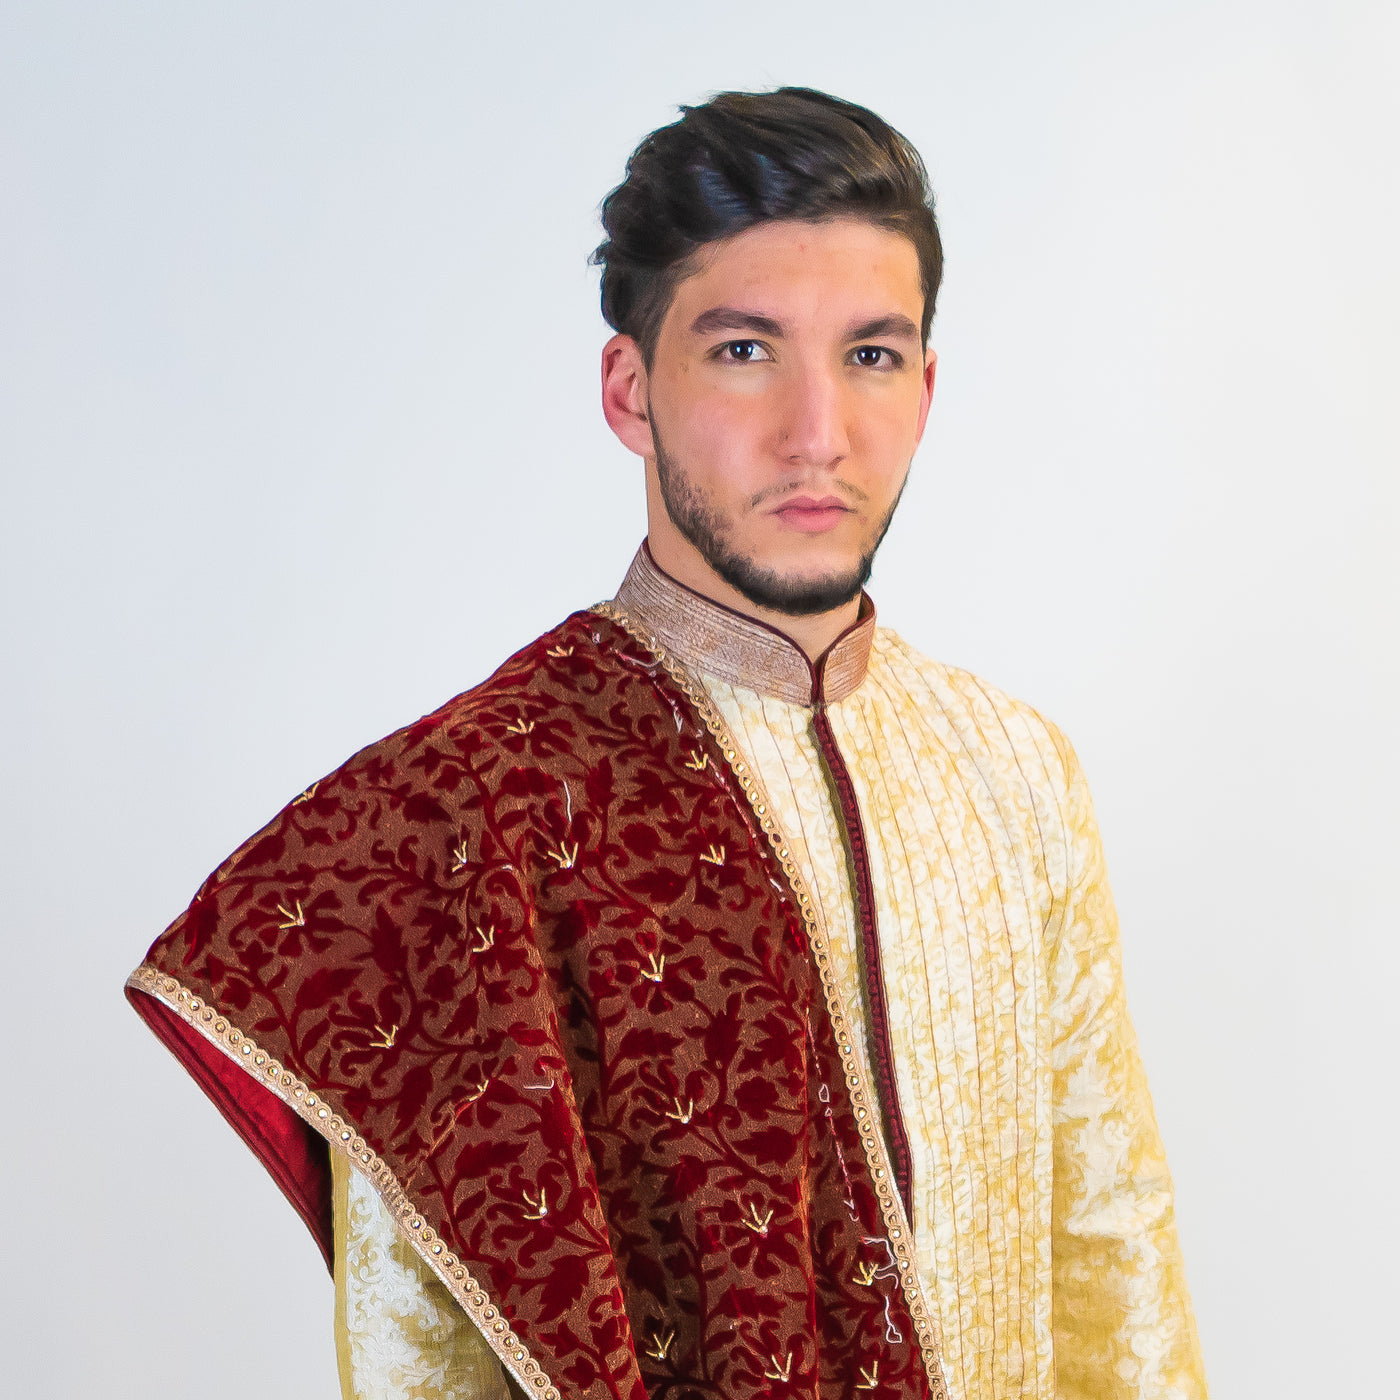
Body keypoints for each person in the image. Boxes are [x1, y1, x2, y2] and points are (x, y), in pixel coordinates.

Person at [126, 87, 1208, 1400]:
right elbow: (434, 1361)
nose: (818, 432)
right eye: (746, 350)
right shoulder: (471, 810)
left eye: (871, 355)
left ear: (926, 390)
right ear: (629, 391)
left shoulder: (1018, 771)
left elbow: (1112, 1264)